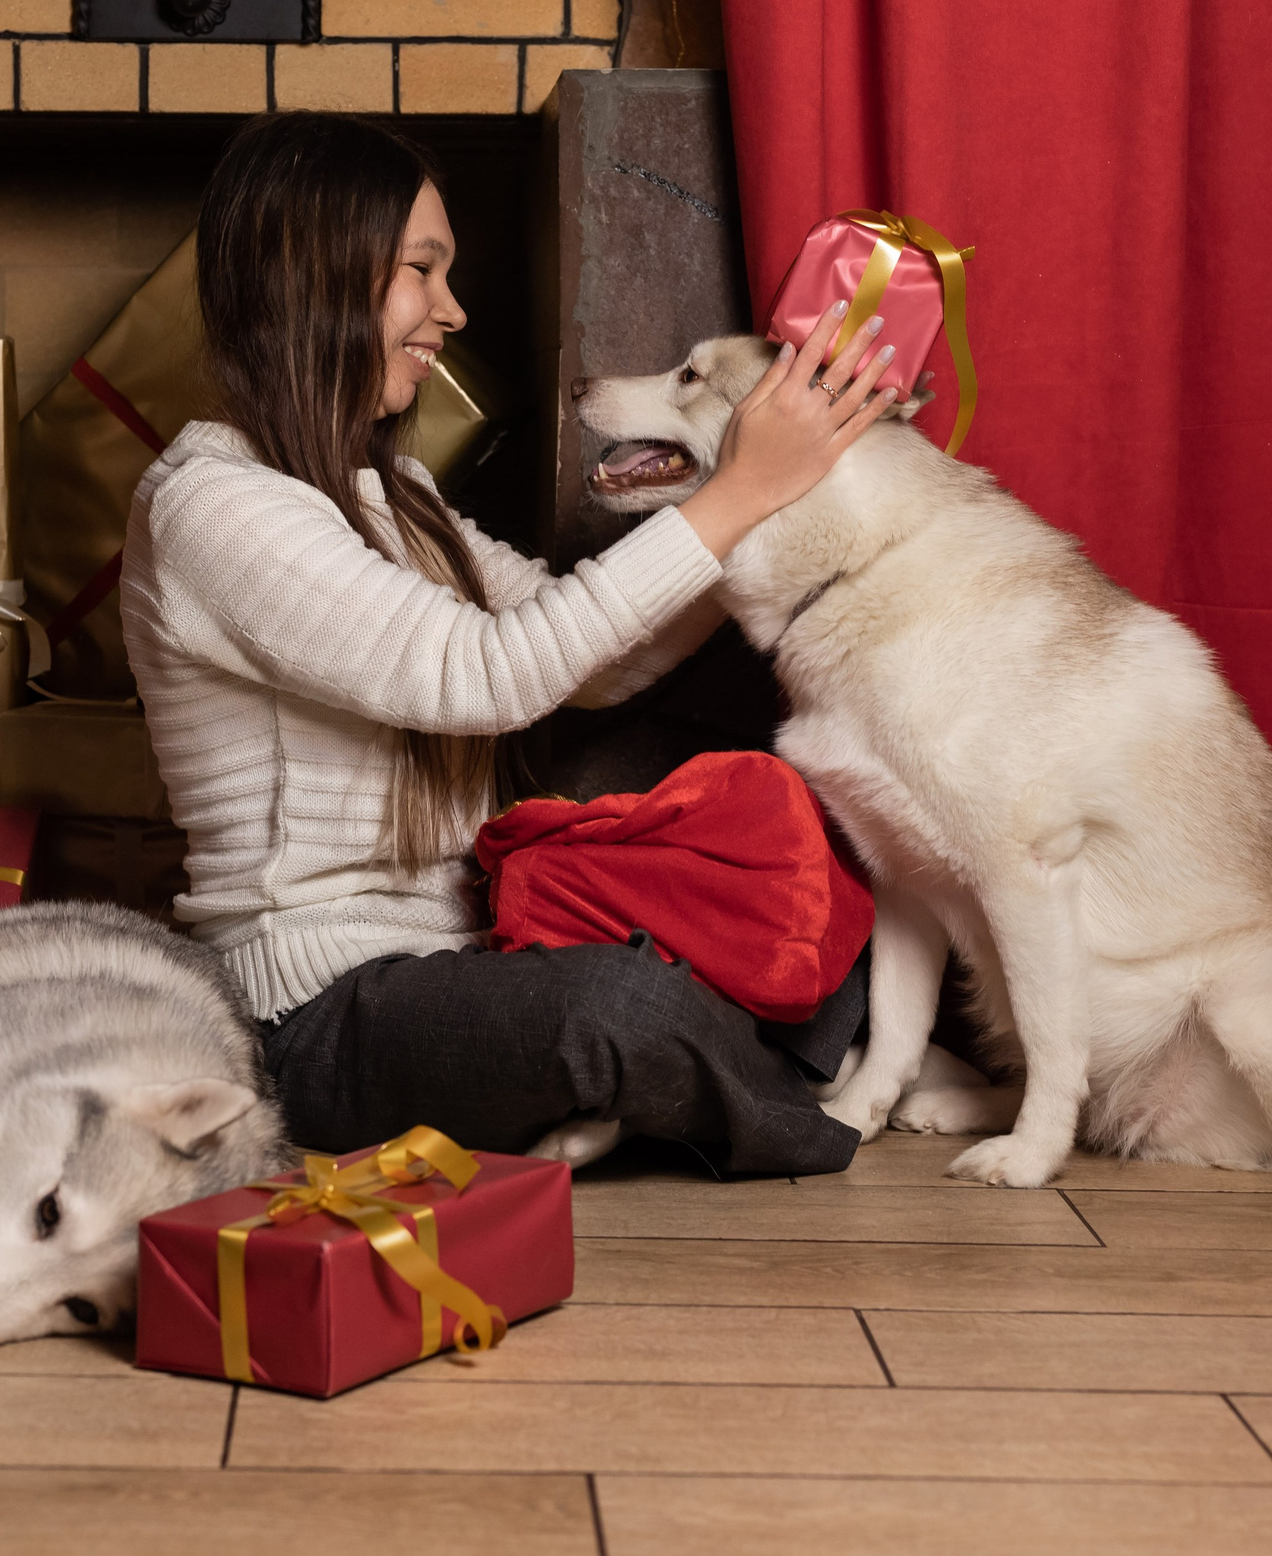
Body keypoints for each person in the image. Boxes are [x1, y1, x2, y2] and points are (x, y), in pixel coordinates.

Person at [118, 113, 900, 1173]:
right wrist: (742, 491)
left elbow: (596, 661)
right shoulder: (213, 506)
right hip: (313, 1010)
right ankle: (799, 1082)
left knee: (788, 845)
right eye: (421, 269)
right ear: (314, 272)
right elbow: (485, 676)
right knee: (615, 1005)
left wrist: (759, 494)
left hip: (478, 945)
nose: (452, 309)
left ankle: (788, 1056)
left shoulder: (391, 489)